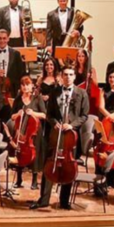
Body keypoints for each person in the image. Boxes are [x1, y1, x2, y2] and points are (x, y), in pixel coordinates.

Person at [31, 66, 89, 210]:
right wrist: (55, 123)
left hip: (71, 136)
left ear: (74, 77)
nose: (68, 77)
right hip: (55, 134)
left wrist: (72, 125)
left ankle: (64, 201)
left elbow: (84, 115)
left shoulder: (82, 93)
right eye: (65, 75)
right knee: (49, 165)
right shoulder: (54, 92)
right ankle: (44, 199)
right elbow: (49, 114)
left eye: (71, 74)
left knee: (69, 166)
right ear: (61, 76)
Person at [8, 77, 47, 189]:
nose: (25, 87)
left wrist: (33, 113)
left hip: (33, 132)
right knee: (19, 152)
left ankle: (34, 181)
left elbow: (44, 115)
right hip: (21, 131)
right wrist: (18, 114)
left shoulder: (37, 98)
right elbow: (12, 116)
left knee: (35, 154)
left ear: (32, 86)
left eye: (27, 85)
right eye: (23, 85)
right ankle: (19, 179)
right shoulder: (18, 99)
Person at [0, 29, 25, 98]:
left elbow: (21, 72)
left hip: (12, 90)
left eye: (4, 38)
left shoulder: (16, 54)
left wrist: (20, 88)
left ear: (8, 39)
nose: (2, 41)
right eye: (0, 38)